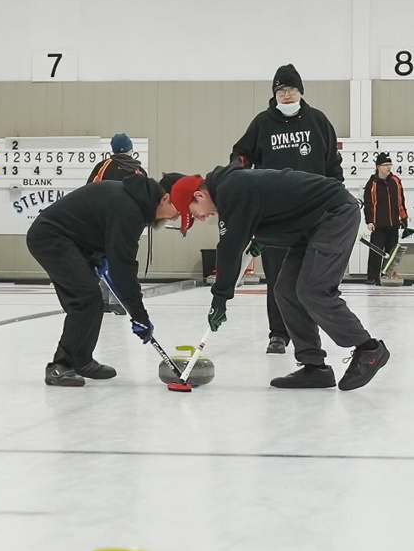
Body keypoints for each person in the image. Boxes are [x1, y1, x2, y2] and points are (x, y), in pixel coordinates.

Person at [172, 164, 389, 389]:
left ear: (199, 195)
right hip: (309, 223)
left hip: (334, 212)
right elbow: (272, 205)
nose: (201, 218)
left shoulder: (231, 190)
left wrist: (220, 299)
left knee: (313, 290)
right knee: (285, 290)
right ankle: (314, 366)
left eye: (193, 213)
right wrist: (262, 237)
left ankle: (369, 349)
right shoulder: (230, 188)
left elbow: (229, 249)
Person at [26, 171, 180, 386]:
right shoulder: (130, 209)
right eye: (177, 210)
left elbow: (103, 234)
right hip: (51, 238)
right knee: (85, 299)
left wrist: (98, 257)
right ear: (164, 199)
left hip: (74, 242)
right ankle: (61, 366)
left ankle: (81, 360)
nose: (176, 217)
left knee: (93, 301)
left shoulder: (135, 203)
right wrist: (139, 315)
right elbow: (123, 268)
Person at [230, 64, 343, 354]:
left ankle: (310, 337)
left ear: (301, 91)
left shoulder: (318, 121)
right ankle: (278, 334)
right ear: (275, 95)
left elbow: (333, 165)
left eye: (291, 89)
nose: (287, 95)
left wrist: (336, 196)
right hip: (275, 218)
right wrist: (240, 174)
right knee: (278, 279)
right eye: (281, 90)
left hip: (315, 215)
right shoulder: (262, 123)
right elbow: (241, 154)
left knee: (310, 280)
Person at [363, 152, 407, 284]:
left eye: (390, 164)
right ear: (378, 167)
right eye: (386, 165)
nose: (389, 167)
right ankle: (372, 278)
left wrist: (404, 218)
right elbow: (368, 203)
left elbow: (401, 201)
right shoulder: (372, 184)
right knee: (376, 253)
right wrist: (369, 221)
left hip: (393, 223)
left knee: (392, 254)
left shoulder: (396, 181)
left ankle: (388, 277)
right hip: (379, 225)